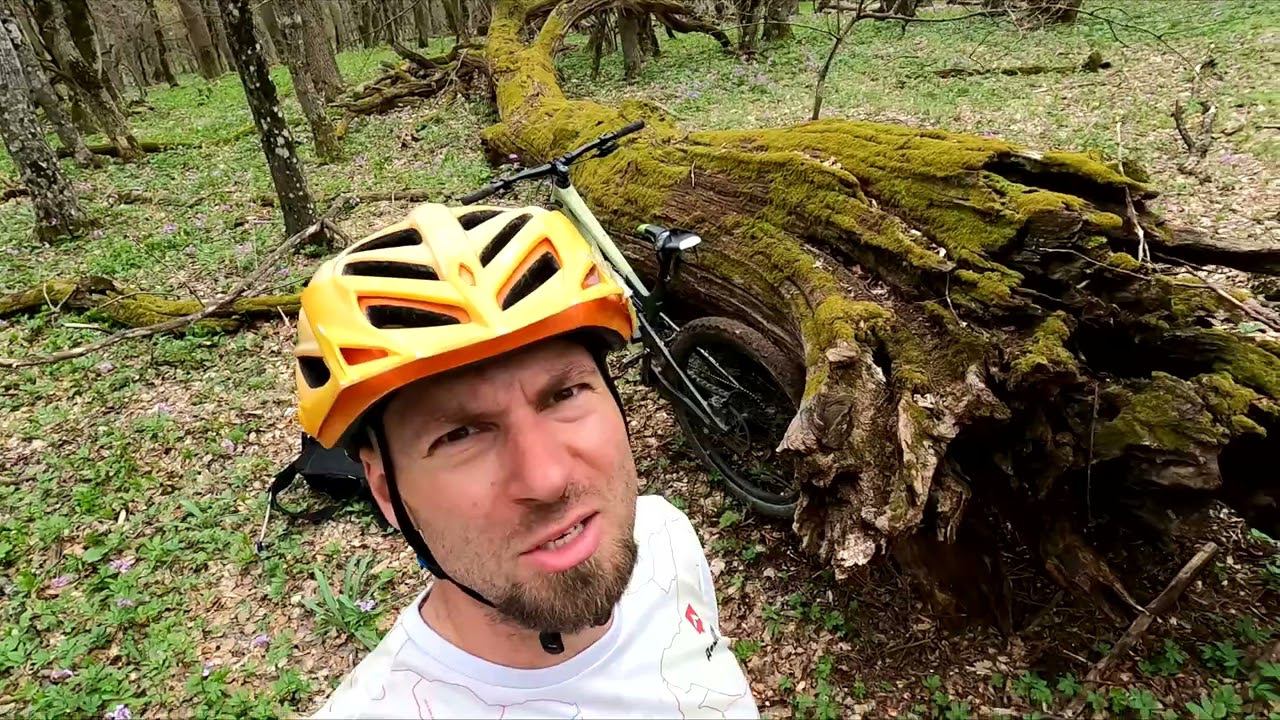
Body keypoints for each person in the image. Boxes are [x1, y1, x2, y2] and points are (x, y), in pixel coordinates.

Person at [294, 202, 759, 718]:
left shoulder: (666, 537)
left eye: (565, 394)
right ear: (387, 491)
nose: (547, 479)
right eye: (460, 435)